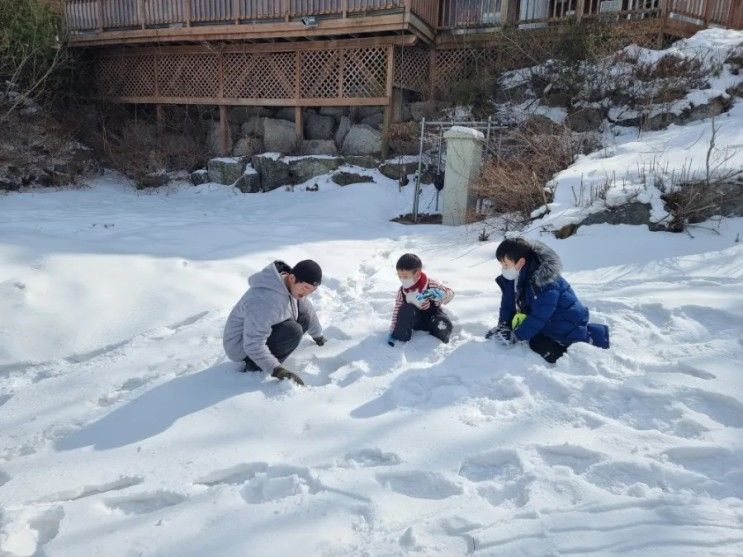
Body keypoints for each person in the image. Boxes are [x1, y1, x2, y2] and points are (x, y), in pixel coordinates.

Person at [486, 238, 609, 363]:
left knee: (537, 342)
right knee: (529, 332)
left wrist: (516, 335)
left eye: (506, 264)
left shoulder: (544, 280)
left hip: (566, 319)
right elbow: (508, 304)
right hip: (549, 318)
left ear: (521, 262)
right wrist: (503, 326)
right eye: (501, 264)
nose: (503, 268)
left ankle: (570, 358)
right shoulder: (515, 276)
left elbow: (541, 314)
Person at [223, 259, 325, 385]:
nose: (307, 294)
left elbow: (308, 311)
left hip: (259, 333)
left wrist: (318, 336)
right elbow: (253, 344)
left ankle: (270, 356)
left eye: (311, 291)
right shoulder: (264, 300)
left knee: (304, 317)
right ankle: (255, 367)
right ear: (292, 278)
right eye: (305, 288)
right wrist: (277, 370)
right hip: (241, 347)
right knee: (293, 331)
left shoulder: (289, 285)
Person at [388, 253, 454, 346]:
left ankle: (439, 337)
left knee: (442, 323)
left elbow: (450, 293)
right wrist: (393, 329)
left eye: (406, 277)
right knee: (406, 308)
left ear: (418, 273)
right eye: (400, 276)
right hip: (415, 321)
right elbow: (397, 310)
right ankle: (401, 337)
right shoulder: (402, 291)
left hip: (433, 317)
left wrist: (443, 295)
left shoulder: (430, 284)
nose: (402, 279)